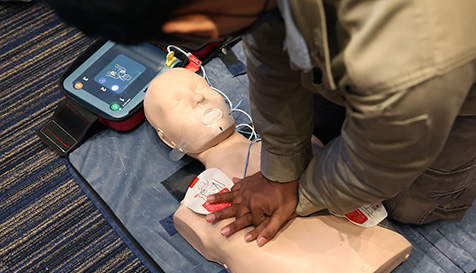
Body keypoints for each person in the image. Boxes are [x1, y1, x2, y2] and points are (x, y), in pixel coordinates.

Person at [46, 0, 476, 246]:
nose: (204, 101)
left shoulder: (415, 50)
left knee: (411, 206)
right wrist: (281, 167)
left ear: (193, 26)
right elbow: (271, 58)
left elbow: (385, 155)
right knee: (321, 136)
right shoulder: (253, 7)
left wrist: (301, 192)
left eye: (195, 91)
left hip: (454, 87)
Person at [143, 67, 412, 273]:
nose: (199, 100)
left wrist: (298, 188)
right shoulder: (192, 211)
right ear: (168, 139)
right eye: (176, 104)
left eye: (200, 88)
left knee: (412, 197)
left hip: (381, 248)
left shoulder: (306, 139)